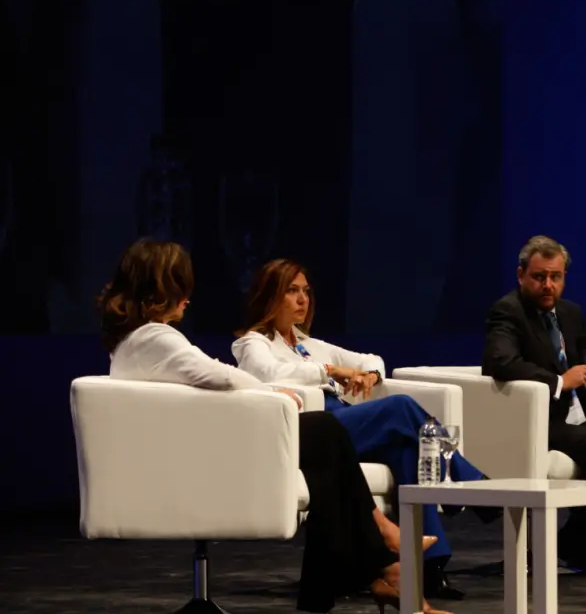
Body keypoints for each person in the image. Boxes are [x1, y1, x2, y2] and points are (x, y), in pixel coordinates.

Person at [98, 239, 448, 613]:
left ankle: (372, 565)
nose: (188, 298)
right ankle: (380, 549)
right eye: (182, 287)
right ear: (162, 290)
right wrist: (274, 393)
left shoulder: (133, 342)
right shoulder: (156, 337)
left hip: (201, 442)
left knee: (325, 438)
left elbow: (210, 376)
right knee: (326, 432)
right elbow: (222, 376)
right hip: (212, 450)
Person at [231, 259, 492, 601]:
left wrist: (371, 375)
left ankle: (429, 567)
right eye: (292, 291)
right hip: (315, 429)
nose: (302, 299)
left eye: (306, 291)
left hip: (344, 424)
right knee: (401, 407)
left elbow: (370, 358)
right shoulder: (253, 343)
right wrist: (330, 371)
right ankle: (469, 482)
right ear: (271, 295)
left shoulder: (310, 344)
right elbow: (267, 374)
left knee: (406, 449)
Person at [482, 235, 586, 578]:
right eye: (539, 277)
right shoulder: (508, 312)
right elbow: (501, 362)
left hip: (580, 420)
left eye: (555, 277)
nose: (548, 285)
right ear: (521, 275)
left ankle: (580, 538)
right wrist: (559, 381)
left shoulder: (570, 313)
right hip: (541, 423)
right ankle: (583, 543)